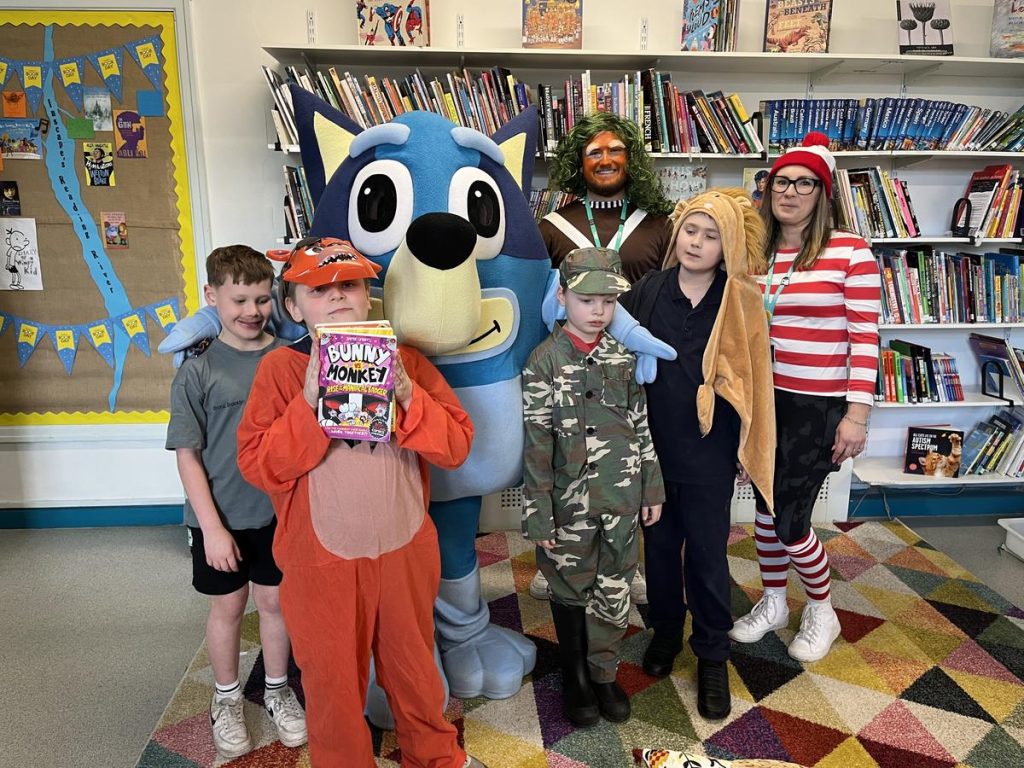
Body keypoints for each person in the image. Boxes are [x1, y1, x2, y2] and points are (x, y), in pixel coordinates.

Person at [235, 237, 486, 768]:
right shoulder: (279, 371)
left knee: (415, 668)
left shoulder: (408, 362)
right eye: (319, 289)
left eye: (349, 284)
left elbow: (457, 446)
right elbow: (261, 467)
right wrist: (307, 404)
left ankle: (435, 755)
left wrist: (407, 394)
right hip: (320, 560)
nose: (337, 296)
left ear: (369, 292)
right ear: (292, 305)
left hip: (404, 548)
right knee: (331, 683)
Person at [619, 189, 776, 720]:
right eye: (691, 230)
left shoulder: (742, 300)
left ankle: (712, 652)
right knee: (659, 551)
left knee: (708, 556)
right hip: (654, 448)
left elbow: (754, 378)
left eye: (711, 236)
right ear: (678, 232)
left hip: (709, 453)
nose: (697, 242)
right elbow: (619, 357)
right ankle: (666, 632)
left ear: (727, 244)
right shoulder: (646, 291)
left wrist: (741, 447)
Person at [729, 132, 881, 663]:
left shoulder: (850, 251)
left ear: (823, 192)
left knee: (791, 519)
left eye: (803, 183)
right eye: (780, 181)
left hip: (819, 405)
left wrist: (856, 416)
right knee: (767, 513)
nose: (788, 192)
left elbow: (865, 336)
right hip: (765, 401)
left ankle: (823, 608)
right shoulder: (758, 252)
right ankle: (773, 601)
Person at [165, 245, 307, 760]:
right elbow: (187, 457)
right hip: (219, 518)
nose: (252, 311)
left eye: (263, 299)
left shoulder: (290, 362)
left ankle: (276, 689)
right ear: (212, 296)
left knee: (275, 604)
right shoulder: (196, 373)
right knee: (228, 607)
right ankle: (226, 699)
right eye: (240, 299)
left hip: (279, 514)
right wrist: (213, 527)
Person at [534, 111, 674, 604]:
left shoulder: (660, 225)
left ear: (631, 158)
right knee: (562, 451)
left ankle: (621, 557)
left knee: (625, 454)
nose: (607, 159)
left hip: (631, 366)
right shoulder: (552, 226)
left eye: (616, 150)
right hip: (570, 367)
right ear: (579, 162)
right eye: (595, 151)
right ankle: (559, 556)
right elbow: (540, 300)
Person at [522, 246, 665, 726]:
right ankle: (575, 673)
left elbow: (641, 425)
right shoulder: (542, 362)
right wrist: (538, 509)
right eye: (587, 300)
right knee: (569, 586)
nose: (598, 311)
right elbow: (537, 445)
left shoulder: (623, 358)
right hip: (567, 504)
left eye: (608, 302)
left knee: (614, 584)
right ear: (562, 298)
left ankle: (603, 673)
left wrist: (652, 487)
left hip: (621, 496)